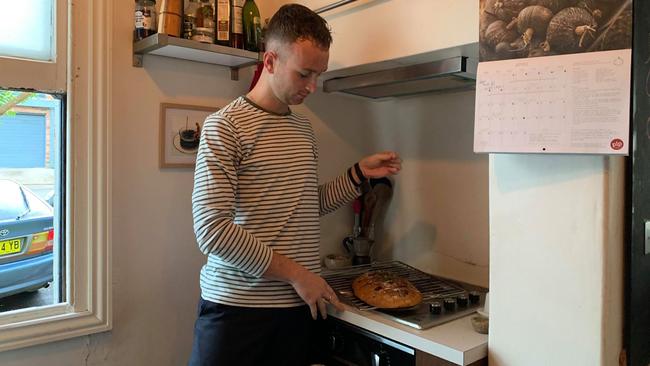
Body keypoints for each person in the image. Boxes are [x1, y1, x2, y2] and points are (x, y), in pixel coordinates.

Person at [188, 4, 402, 366]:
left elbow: (305, 204)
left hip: (298, 308)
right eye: (304, 74)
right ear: (270, 61)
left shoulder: (302, 130)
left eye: (319, 75)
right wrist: (299, 275)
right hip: (239, 312)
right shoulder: (224, 127)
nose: (313, 87)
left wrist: (359, 173)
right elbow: (211, 230)